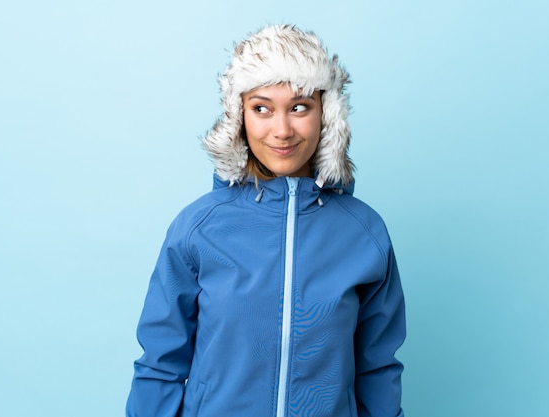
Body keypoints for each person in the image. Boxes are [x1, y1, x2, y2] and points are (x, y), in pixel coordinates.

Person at [126, 24, 406, 417]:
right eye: (262, 108)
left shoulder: (364, 234)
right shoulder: (198, 228)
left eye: (299, 107)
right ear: (239, 117)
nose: (282, 130)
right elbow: (160, 364)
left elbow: (377, 368)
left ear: (326, 114)